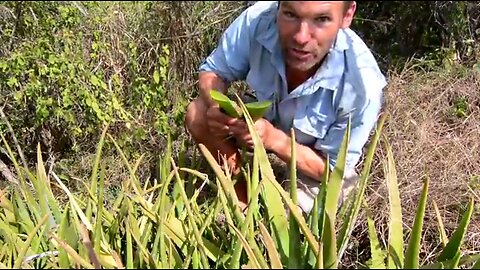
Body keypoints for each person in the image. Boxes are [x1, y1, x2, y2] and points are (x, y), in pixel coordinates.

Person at [185, 1, 387, 214]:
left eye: (321, 19)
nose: (301, 37)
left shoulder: (362, 86)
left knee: (288, 217)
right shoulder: (257, 20)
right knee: (198, 114)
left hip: (314, 160)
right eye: (291, 15)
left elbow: (332, 171)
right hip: (263, 121)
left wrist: (272, 138)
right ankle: (242, 198)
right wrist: (217, 107)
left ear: (347, 15)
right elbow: (215, 70)